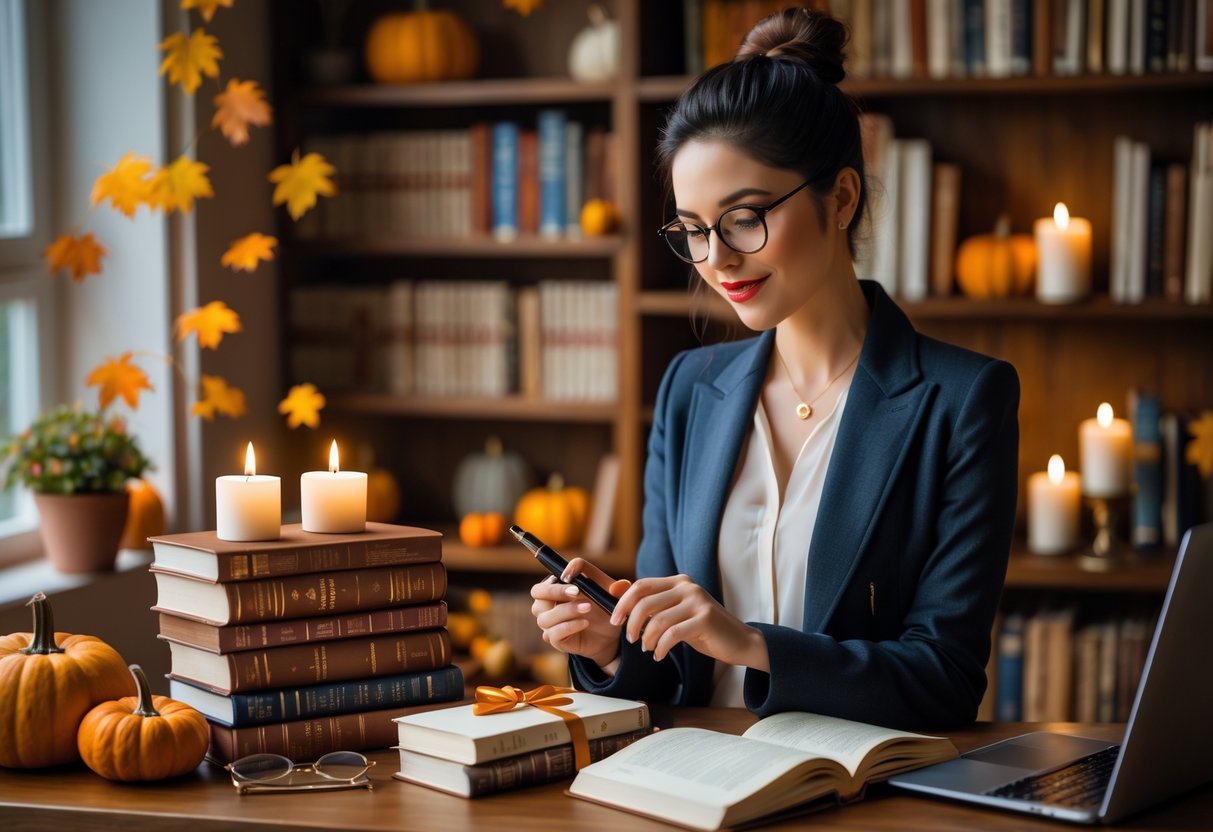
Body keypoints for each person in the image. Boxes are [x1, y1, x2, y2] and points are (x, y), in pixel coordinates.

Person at [529, 7, 1019, 731]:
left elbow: (943, 680)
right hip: (695, 783)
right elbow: (676, 669)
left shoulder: (961, 399)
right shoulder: (689, 390)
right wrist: (610, 643)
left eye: (744, 218)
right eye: (693, 230)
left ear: (841, 197)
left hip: (855, 792)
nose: (716, 260)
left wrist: (750, 644)